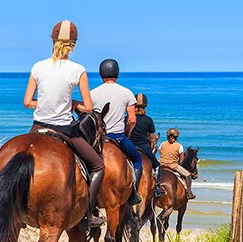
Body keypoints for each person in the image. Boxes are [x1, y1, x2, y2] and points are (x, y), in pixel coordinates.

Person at [23, 20, 105, 228]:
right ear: (74, 44)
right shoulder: (78, 70)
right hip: (64, 129)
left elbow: (27, 102)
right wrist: (72, 104)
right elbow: (88, 107)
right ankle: (87, 215)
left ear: (52, 40)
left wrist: (47, 103)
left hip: (37, 126)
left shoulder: (37, 66)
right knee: (97, 166)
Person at [90, 59, 142, 205]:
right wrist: (128, 132)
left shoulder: (92, 93)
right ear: (117, 73)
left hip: (97, 139)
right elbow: (132, 120)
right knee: (137, 161)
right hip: (118, 137)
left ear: (101, 74)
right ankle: (133, 194)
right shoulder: (126, 92)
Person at [129, 93, 165, 197]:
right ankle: (157, 187)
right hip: (143, 148)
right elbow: (152, 137)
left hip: (130, 146)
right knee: (157, 165)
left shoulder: (127, 118)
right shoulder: (148, 120)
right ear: (146, 105)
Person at [159, 128, 196, 199]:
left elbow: (161, 153)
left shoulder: (162, 144)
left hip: (161, 164)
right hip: (173, 166)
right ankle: (189, 192)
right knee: (188, 175)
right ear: (176, 137)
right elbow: (181, 161)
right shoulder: (179, 146)